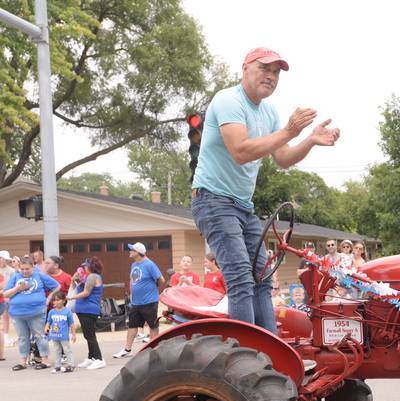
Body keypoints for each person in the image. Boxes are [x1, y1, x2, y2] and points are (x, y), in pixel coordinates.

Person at [190, 46, 339, 333]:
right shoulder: (228, 100)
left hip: (243, 207)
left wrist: (309, 140)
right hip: (213, 200)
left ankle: (270, 350)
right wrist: (289, 131)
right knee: (240, 278)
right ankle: (246, 352)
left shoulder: (268, 112)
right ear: (245, 68)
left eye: (276, 72)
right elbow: (241, 151)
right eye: (264, 68)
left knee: (262, 277)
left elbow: (283, 158)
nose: (270, 76)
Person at [2, 256, 59, 370]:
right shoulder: (16, 277)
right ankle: (23, 362)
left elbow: (57, 286)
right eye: (22, 269)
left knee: (39, 336)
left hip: (36, 312)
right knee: (23, 338)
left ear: (33, 266)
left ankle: (45, 360)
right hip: (18, 313)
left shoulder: (39, 275)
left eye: (27, 269)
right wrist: (17, 288)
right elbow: (5, 294)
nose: (24, 271)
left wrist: (49, 298)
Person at [113, 243, 164, 358]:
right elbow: (133, 281)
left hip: (149, 301)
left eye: (131, 250)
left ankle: (154, 349)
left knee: (153, 326)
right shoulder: (134, 265)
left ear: (138, 252)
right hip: (136, 302)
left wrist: (152, 289)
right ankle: (127, 350)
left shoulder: (149, 264)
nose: (129, 251)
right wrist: (132, 295)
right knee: (132, 325)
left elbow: (161, 280)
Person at [68, 257, 106, 369]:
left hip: (89, 309)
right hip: (83, 309)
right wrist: (73, 280)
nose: (84, 267)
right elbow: (76, 288)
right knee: (88, 335)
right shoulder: (87, 277)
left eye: (86, 265)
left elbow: (86, 293)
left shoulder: (93, 276)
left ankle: (99, 359)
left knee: (90, 336)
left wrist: (71, 297)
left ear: (91, 267)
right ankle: (91, 357)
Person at [45, 291, 77, 373]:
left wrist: (74, 335)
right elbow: (48, 322)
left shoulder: (67, 311)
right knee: (57, 351)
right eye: (54, 300)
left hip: (64, 336)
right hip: (54, 335)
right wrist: (46, 328)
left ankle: (71, 365)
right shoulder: (51, 312)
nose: (55, 302)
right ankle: (57, 366)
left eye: (58, 300)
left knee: (67, 350)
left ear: (63, 300)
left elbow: (71, 324)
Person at [0, 250, 15, 361]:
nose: (3, 261)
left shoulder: (11, 271)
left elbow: (10, 284)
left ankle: (6, 335)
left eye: (4, 259)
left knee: (7, 316)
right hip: (2, 296)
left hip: (8, 296)